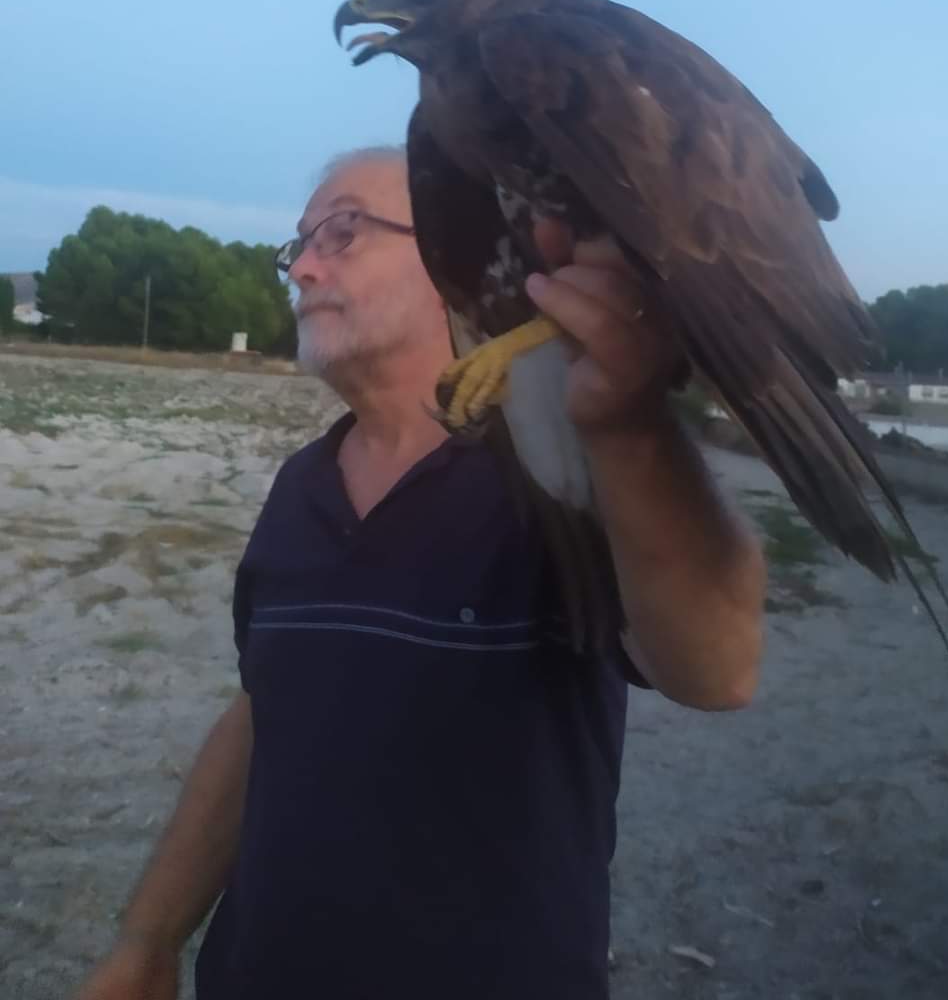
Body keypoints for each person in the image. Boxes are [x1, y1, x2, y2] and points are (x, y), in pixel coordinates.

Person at [76, 146, 766, 1000]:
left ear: (453, 256)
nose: (306, 266)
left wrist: (628, 432)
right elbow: (268, 712)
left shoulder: (557, 470)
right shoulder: (303, 485)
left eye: (344, 230)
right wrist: (148, 939)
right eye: (298, 245)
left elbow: (722, 669)